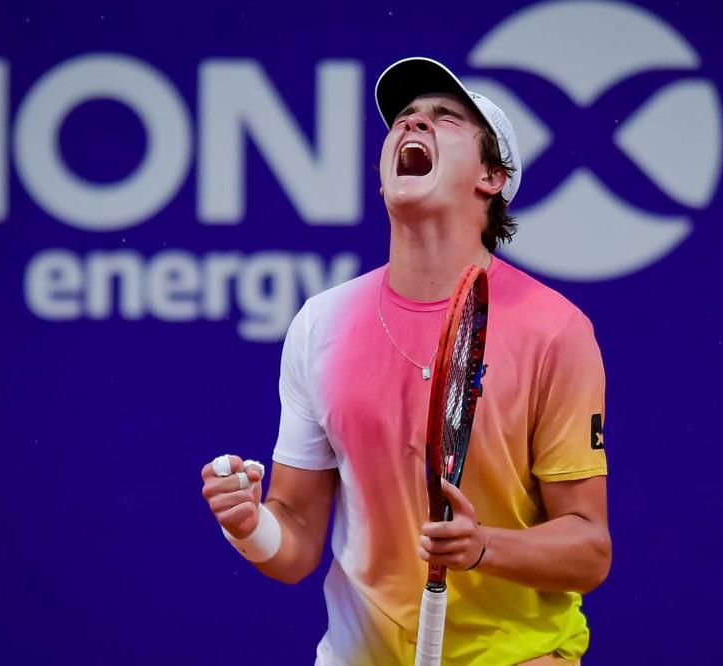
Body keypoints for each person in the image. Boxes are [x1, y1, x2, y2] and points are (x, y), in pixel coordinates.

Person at [200, 57, 611, 666]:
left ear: (492, 176)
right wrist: (248, 524)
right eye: (404, 120)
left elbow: (588, 549)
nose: (413, 126)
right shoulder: (321, 323)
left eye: (444, 119)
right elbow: (295, 546)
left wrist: (482, 547)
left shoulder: (555, 330)